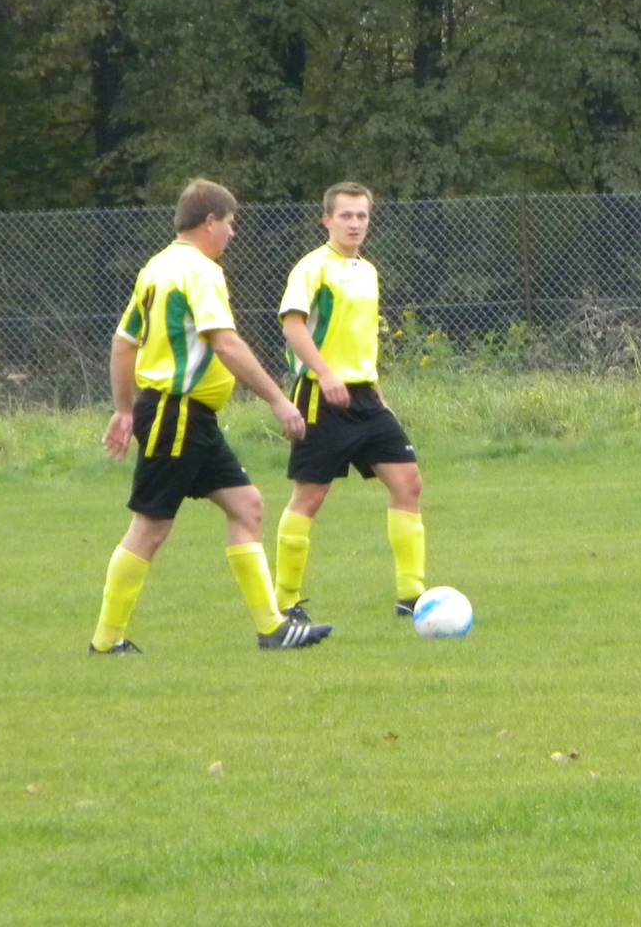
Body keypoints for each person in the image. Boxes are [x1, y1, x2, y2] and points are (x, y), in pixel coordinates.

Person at [89, 179, 331, 653]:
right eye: (230, 223)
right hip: (176, 413)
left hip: (187, 417)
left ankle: (273, 628)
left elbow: (123, 343)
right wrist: (278, 400)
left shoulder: (157, 267)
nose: (233, 233)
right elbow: (225, 343)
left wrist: (124, 409)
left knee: (247, 505)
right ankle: (106, 641)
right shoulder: (200, 271)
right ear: (210, 222)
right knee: (150, 527)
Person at [273, 182, 430, 624]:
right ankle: (285, 602)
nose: (355, 223)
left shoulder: (368, 271)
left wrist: (376, 391)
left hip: (365, 397)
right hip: (320, 396)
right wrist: (325, 374)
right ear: (327, 220)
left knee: (408, 483)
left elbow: (360, 340)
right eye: (346, 215)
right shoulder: (312, 268)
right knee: (310, 496)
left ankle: (412, 595)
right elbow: (292, 326)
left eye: (362, 215)